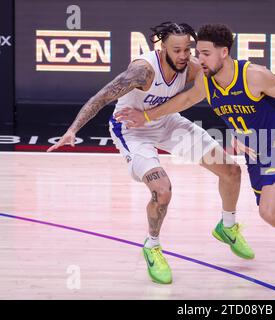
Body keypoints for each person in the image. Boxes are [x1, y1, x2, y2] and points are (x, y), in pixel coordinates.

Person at [114, 24, 275, 294]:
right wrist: (145, 117)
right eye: (197, 53)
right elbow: (185, 100)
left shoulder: (254, 75)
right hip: (256, 149)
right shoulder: (206, 80)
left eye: (204, 53)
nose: (197, 60)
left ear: (223, 52)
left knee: (270, 212)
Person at [47, 22, 255, 285]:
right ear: (162, 47)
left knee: (231, 170)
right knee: (163, 190)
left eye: (187, 49)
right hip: (133, 131)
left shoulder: (191, 68)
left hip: (168, 123)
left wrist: (237, 131)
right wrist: (72, 129)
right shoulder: (142, 71)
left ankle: (227, 227)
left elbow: (220, 96)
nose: (183, 55)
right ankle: (152, 245)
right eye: (177, 50)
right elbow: (102, 97)